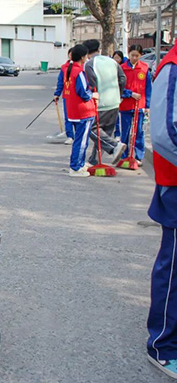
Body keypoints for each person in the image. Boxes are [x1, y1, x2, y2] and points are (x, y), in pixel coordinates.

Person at [146, 44, 177, 380]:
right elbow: (165, 134)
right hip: (175, 185)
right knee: (173, 269)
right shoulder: (172, 67)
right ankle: (163, 345)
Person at [82, 39, 127, 166]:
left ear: (87, 52)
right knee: (104, 133)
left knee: (91, 129)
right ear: (98, 49)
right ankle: (94, 160)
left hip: (101, 102)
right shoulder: (112, 61)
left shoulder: (90, 64)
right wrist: (119, 93)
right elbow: (123, 78)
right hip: (115, 101)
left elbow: (92, 84)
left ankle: (115, 146)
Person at [63, 44, 99, 177]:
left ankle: (80, 163)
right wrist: (93, 95)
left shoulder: (68, 69)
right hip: (83, 111)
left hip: (73, 110)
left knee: (80, 139)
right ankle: (76, 167)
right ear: (83, 57)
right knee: (82, 141)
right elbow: (83, 93)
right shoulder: (79, 72)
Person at [119, 44, 152, 166]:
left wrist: (147, 105)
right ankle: (124, 155)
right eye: (132, 55)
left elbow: (148, 87)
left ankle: (139, 156)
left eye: (137, 56)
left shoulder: (144, 68)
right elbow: (118, 87)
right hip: (126, 105)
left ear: (141, 55)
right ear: (128, 54)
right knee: (125, 131)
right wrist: (130, 94)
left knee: (139, 132)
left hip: (140, 105)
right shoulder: (122, 68)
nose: (134, 58)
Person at [53, 47, 75, 145]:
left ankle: (78, 136)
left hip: (78, 97)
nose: (71, 56)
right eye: (70, 54)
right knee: (68, 117)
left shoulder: (81, 67)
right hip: (67, 96)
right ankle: (70, 136)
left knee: (78, 118)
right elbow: (60, 82)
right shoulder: (64, 67)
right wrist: (57, 94)